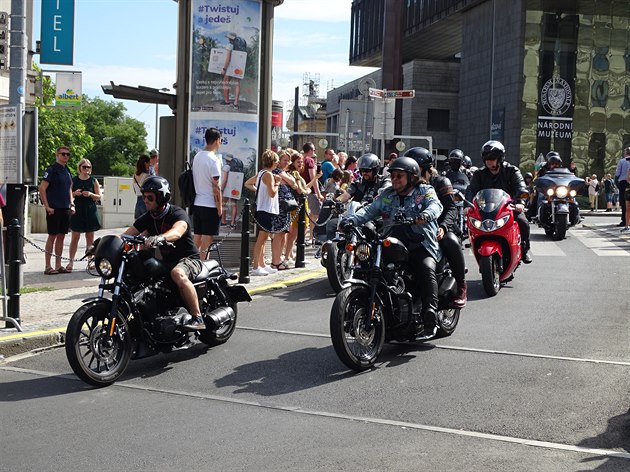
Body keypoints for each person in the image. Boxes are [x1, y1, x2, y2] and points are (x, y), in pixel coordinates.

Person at [342, 156, 443, 338]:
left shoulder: (424, 191)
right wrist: (350, 220)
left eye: (399, 176)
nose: (395, 179)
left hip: (421, 243)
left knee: (426, 268)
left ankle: (430, 312)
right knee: (374, 268)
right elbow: (370, 210)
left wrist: (426, 215)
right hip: (393, 243)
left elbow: (436, 205)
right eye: (393, 176)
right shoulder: (387, 195)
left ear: (412, 177)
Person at [123, 176, 205, 331]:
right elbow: (126, 235)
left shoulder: (177, 213)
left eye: (150, 197)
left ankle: (197, 317)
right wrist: (101, 244)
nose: (145, 200)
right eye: (144, 196)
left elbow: (178, 230)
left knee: (177, 274)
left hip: (188, 260)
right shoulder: (148, 217)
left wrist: (161, 237)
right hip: (167, 262)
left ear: (161, 197)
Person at [406, 147, 467, 307]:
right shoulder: (408, 184)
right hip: (416, 229)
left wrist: (443, 227)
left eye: (415, 168)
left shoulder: (441, 182)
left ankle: (461, 285)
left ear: (426, 168)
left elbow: (451, 208)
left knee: (450, 241)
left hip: (441, 227)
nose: (411, 172)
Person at [465, 140, 532, 264]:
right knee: (470, 223)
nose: (489, 162)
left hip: (507, 208)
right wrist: (467, 205)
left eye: (492, 158)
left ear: (500, 159)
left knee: (523, 222)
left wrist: (521, 202)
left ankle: (525, 248)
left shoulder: (512, 171)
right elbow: (471, 189)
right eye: (487, 159)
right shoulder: (479, 174)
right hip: (485, 209)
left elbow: (521, 187)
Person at [244, 149, 282, 276]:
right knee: (261, 239)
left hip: (262, 208)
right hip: (267, 209)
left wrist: (259, 192)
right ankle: (256, 267)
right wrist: (277, 184)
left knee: (263, 238)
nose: (277, 164)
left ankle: (262, 264)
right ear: (273, 162)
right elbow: (272, 193)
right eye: (276, 161)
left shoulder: (261, 173)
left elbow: (247, 183)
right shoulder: (269, 175)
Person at [39, 146, 75, 275]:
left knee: (61, 237)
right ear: (57, 155)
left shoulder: (67, 170)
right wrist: (47, 206)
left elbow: (69, 188)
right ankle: (48, 266)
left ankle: (58, 265)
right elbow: (42, 188)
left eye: (67, 154)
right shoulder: (51, 170)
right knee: (52, 236)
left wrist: (72, 203)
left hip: (65, 208)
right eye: (63, 154)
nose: (65, 156)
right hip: (54, 208)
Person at [192, 127, 223, 257]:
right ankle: (203, 266)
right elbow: (216, 187)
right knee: (207, 238)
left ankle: (190, 262)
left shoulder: (197, 156)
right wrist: (220, 207)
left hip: (197, 202)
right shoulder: (213, 160)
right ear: (217, 140)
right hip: (210, 204)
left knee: (197, 237)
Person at [67, 159, 102, 272]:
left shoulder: (93, 180)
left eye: (89, 167)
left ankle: (90, 261)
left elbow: (99, 196)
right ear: (80, 168)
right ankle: (71, 262)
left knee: (90, 238)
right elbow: (69, 194)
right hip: (77, 210)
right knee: (75, 237)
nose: (87, 169)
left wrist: (91, 194)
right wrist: (74, 194)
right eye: (84, 167)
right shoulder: (74, 180)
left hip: (90, 210)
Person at [270, 149, 298, 270]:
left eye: (288, 160)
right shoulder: (277, 171)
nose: (287, 162)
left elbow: (295, 184)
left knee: (283, 233)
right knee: (279, 233)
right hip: (280, 205)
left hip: (285, 206)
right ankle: (275, 261)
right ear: (279, 160)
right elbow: (292, 182)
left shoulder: (283, 172)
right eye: (284, 160)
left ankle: (278, 259)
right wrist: (290, 181)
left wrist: (290, 182)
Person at [299, 142, 323, 241]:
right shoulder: (309, 161)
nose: (314, 152)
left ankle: (305, 237)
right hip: (310, 191)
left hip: (302, 190)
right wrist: (319, 194)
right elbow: (314, 178)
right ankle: (312, 236)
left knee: (306, 215)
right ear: (309, 151)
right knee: (315, 215)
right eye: (313, 150)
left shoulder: (301, 160)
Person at [222, 32, 247, 109]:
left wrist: (224, 69)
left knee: (225, 83)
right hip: (239, 66)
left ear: (229, 38)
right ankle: (236, 103)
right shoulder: (241, 44)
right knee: (237, 84)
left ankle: (226, 101)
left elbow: (228, 59)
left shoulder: (230, 45)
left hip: (230, 67)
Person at [221, 153, 244, 228]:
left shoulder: (226, 167)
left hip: (227, 188)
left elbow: (224, 179)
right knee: (234, 205)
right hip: (234, 188)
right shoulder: (236, 167)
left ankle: (223, 221)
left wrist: (221, 188)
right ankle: (232, 222)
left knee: (223, 204)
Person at [614, 147, 630, 227]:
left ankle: (624, 220)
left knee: (624, 202)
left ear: (626, 153)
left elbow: (617, 174)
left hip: (623, 183)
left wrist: (617, 183)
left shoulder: (622, 161)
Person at [133, 154, 151, 219]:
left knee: (138, 225)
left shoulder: (134, 176)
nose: (150, 165)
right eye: (149, 163)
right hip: (146, 201)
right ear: (145, 163)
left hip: (138, 202)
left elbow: (135, 191)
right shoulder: (147, 176)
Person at [621, 167, 630, 232]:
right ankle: (627, 226)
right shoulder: (629, 170)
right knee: (627, 209)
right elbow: (628, 180)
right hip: (628, 190)